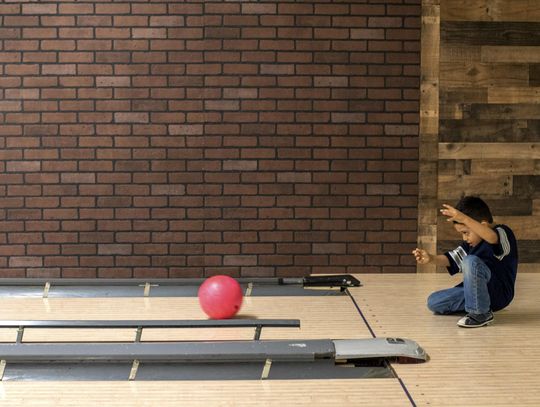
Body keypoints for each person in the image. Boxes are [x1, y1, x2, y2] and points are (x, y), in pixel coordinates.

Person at [413, 196, 518, 328]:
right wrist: (431, 258)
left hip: (499, 294)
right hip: (476, 293)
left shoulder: (502, 232)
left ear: (482, 225)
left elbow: (492, 238)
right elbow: (452, 259)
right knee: (434, 301)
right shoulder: (470, 245)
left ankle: (480, 314)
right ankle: (479, 305)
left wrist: (463, 218)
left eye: (466, 232)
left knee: (470, 261)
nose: (465, 238)